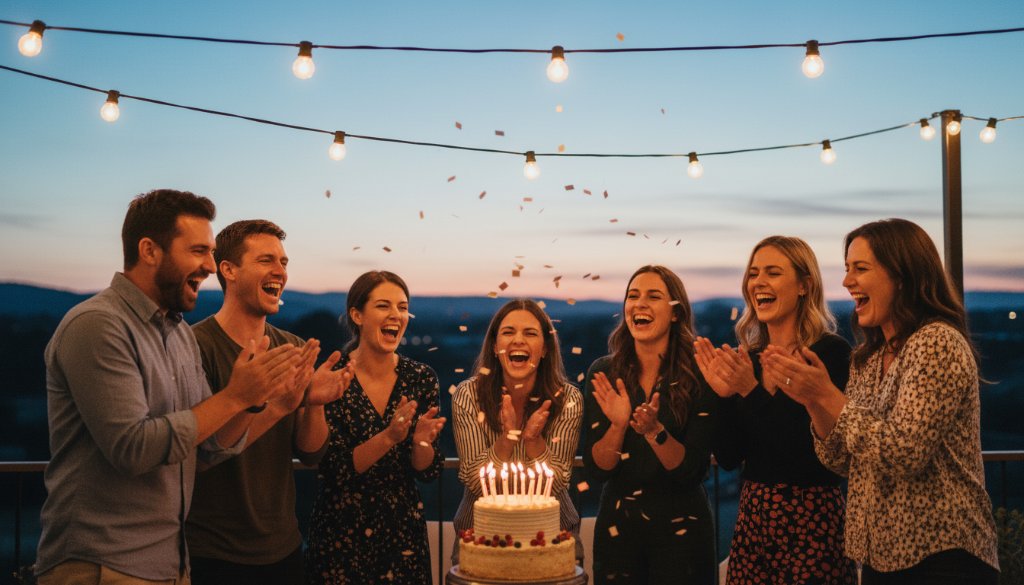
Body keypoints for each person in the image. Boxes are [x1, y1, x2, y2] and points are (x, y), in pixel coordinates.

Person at [36, 189, 307, 584]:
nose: (210, 266)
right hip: (102, 563)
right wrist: (235, 396)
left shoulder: (177, 334)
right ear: (149, 251)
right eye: (198, 251)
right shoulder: (97, 325)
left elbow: (210, 446)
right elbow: (133, 448)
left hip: (170, 563)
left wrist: (258, 403)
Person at [765, 218, 1000, 584]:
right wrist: (812, 401)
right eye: (846, 269)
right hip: (880, 559)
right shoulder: (867, 359)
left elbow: (903, 453)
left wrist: (827, 393)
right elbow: (840, 458)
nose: (846, 281)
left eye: (860, 269)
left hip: (943, 557)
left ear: (903, 276)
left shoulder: (936, 342)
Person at [186, 220, 355, 585]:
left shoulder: (292, 347)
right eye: (266, 260)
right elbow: (200, 454)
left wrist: (314, 401)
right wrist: (272, 403)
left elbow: (311, 453)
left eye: (284, 261)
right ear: (228, 270)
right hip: (212, 552)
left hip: (283, 546)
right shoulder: (194, 346)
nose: (280, 271)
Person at [695, 236, 856, 585]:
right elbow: (726, 456)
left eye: (772, 272)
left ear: (804, 285)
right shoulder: (749, 361)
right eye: (753, 274)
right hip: (755, 520)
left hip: (813, 520)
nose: (759, 283)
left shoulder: (828, 353)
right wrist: (723, 396)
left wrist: (749, 392)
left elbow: (807, 455)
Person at [306, 270, 446, 584]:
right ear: (357, 315)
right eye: (383, 306)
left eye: (402, 306)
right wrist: (390, 437)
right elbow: (334, 469)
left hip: (403, 534)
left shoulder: (421, 377)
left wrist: (421, 444)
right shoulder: (332, 378)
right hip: (340, 534)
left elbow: (427, 471)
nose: (396, 314)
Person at [583, 265, 717, 585]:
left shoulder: (700, 373)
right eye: (633, 296)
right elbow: (597, 469)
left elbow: (691, 471)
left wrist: (655, 431)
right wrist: (617, 426)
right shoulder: (603, 373)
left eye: (653, 296)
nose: (639, 303)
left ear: (675, 313)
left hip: (683, 532)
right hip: (619, 531)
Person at [451, 299, 584, 564]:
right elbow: (474, 481)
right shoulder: (468, 395)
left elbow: (558, 483)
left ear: (545, 348)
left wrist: (533, 440)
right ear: (494, 346)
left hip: (553, 534)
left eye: (530, 333)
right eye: (508, 332)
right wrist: (507, 439)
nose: (518, 340)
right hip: (480, 533)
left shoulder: (568, 398)